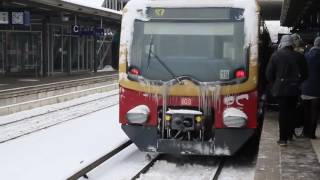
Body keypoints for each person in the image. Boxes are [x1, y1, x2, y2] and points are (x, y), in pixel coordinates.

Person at [266, 35, 308, 146]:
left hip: (280, 89)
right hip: (294, 89)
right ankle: (289, 135)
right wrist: (298, 83)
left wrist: (274, 85)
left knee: (283, 113)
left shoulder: (275, 55)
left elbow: (269, 74)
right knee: (292, 111)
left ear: (282, 43)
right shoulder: (299, 56)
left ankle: (283, 138)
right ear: (291, 44)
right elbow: (305, 74)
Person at [301, 37, 320, 139]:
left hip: (305, 88)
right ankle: (311, 133)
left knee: (306, 112)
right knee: (314, 113)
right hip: (317, 91)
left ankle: (305, 131)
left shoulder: (306, 56)